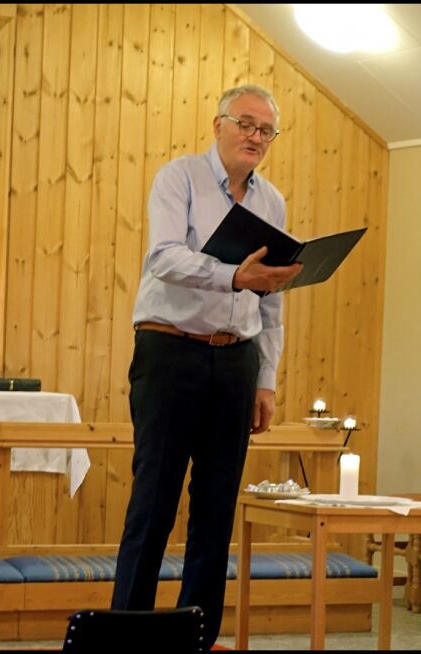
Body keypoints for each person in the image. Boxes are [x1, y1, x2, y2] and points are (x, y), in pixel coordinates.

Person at [110, 84, 302, 646]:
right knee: (154, 504)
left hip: (237, 360)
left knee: (216, 511)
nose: (255, 137)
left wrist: (266, 380)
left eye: (266, 130)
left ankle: (196, 637)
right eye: (246, 124)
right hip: (171, 352)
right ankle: (127, 637)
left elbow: (274, 302)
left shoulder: (273, 201)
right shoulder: (180, 178)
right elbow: (165, 258)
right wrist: (235, 275)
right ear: (217, 123)